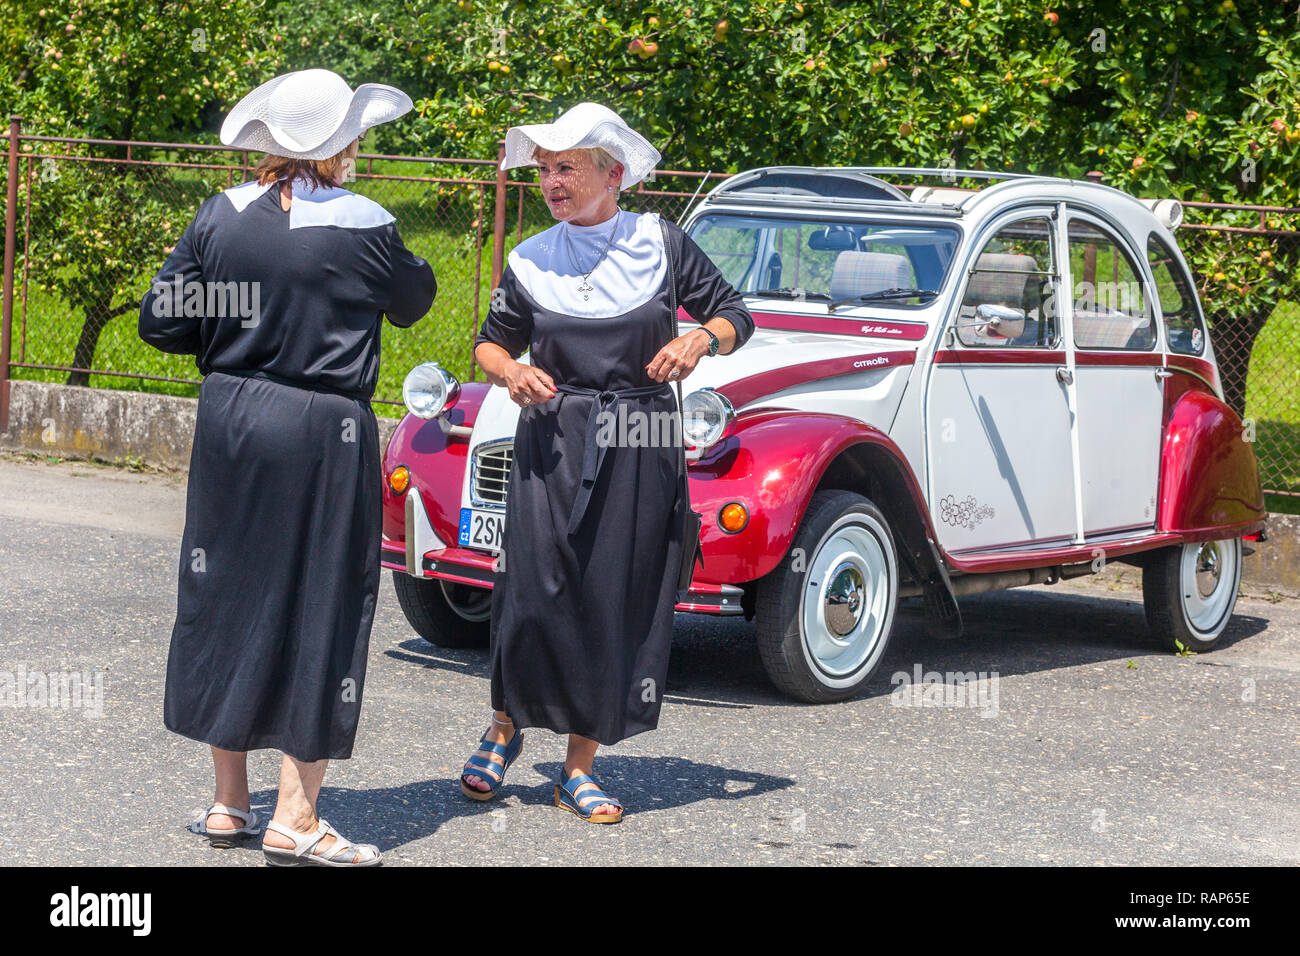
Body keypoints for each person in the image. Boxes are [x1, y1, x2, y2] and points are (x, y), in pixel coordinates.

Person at [138, 68, 435, 866]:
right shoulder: (364, 221)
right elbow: (415, 300)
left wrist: (241, 315)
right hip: (322, 428)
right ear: (336, 144)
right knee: (323, 605)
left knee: (225, 591)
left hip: (233, 418)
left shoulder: (220, 215)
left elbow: (161, 320)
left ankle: (230, 803)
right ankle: (296, 815)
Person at [462, 102, 754, 822]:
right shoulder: (530, 257)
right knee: (532, 590)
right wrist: (509, 374)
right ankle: (504, 728)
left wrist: (698, 343)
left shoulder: (661, 242)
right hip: (553, 437)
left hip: (641, 438)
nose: (552, 182)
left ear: (613, 175)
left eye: (567, 168)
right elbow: (488, 343)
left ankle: (579, 767)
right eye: (545, 170)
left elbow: (734, 315)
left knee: (610, 596)